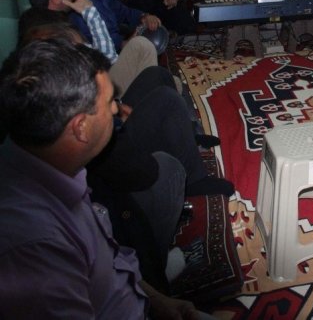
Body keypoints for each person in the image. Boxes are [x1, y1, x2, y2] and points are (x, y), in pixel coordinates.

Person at [0, 39, 199, 318]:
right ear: (81, 128)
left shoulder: (54, 169)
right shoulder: (36, 248)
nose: (117, 110)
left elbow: (107, 263)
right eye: (109, 103)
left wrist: (156, 299)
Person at [25, 0, 157, 95]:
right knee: (141, 46)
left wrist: (143, 17)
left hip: (92, 79)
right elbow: (107, 60)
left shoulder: (44, 21)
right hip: (91, 93)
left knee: (162, 77)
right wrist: (92, 14)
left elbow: (124, 13)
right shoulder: (52, 31)